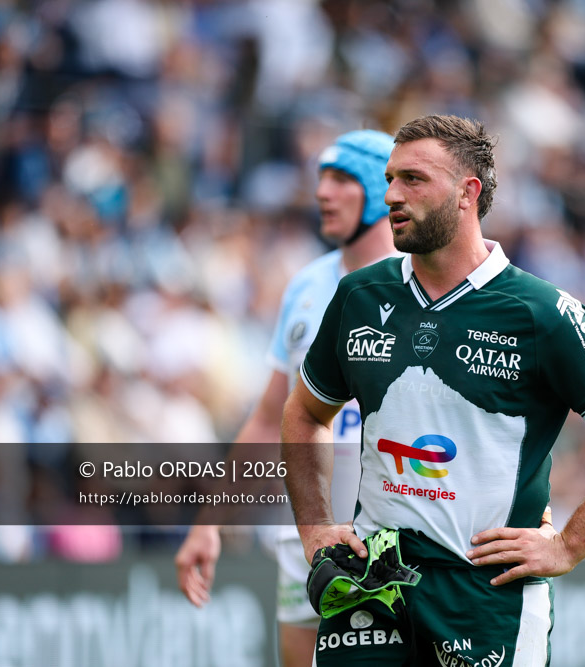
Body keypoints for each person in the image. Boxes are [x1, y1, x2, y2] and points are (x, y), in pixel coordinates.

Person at [281, 114, 585, 666]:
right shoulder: (358, 296)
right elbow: (304, 413)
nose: (391, 194)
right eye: (390, 179)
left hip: (486, 598)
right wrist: (317, 527)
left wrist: (568, 545)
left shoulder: (541, 311)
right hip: (371, 583)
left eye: (413, 180)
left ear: (468, 193)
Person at [174, 128, 399, 667]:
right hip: (306, 531)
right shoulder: (304, 287)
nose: (323, 192)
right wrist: (209, 523)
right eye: (320, 178)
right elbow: (266, 420)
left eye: (342, 179)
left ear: (379, 189)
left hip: (393, 533)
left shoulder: (417, 284)